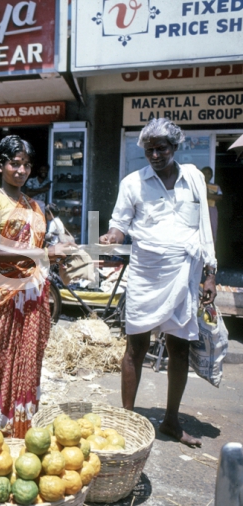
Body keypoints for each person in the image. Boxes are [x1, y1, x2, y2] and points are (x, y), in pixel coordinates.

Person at [100, 118, 217, 447]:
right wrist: (112, 236)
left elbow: (204, 230)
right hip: (145, 275)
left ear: (175, 147)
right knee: (135, 348)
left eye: (161, 148)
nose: (154, 155)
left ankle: (170, 421)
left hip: (184, 274)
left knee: (178, 349)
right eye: (149, 149)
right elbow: (119, 224)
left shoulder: (193, 178)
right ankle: (126, 421)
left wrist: (210, 273)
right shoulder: (133, 183)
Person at [0, 135, 69, 437]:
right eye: (14, 163)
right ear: (0, 165)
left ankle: (13, 429)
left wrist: (61, 255)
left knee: (25, 362)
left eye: (27, 165)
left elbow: (39, 251)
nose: (21, 170)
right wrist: (44, 253)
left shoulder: (36, 206)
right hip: (0, 294)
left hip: (32, 297)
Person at [201, 166, 222, 243]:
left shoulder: (215, 187)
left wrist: (208, 195)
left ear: (212, 175)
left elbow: (220, 197)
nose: (206, 175)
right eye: (204, 173)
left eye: (209, 173)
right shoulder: (197, 186)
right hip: (199, 210)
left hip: (211, 210)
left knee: (212, 229)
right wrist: (211, 196)